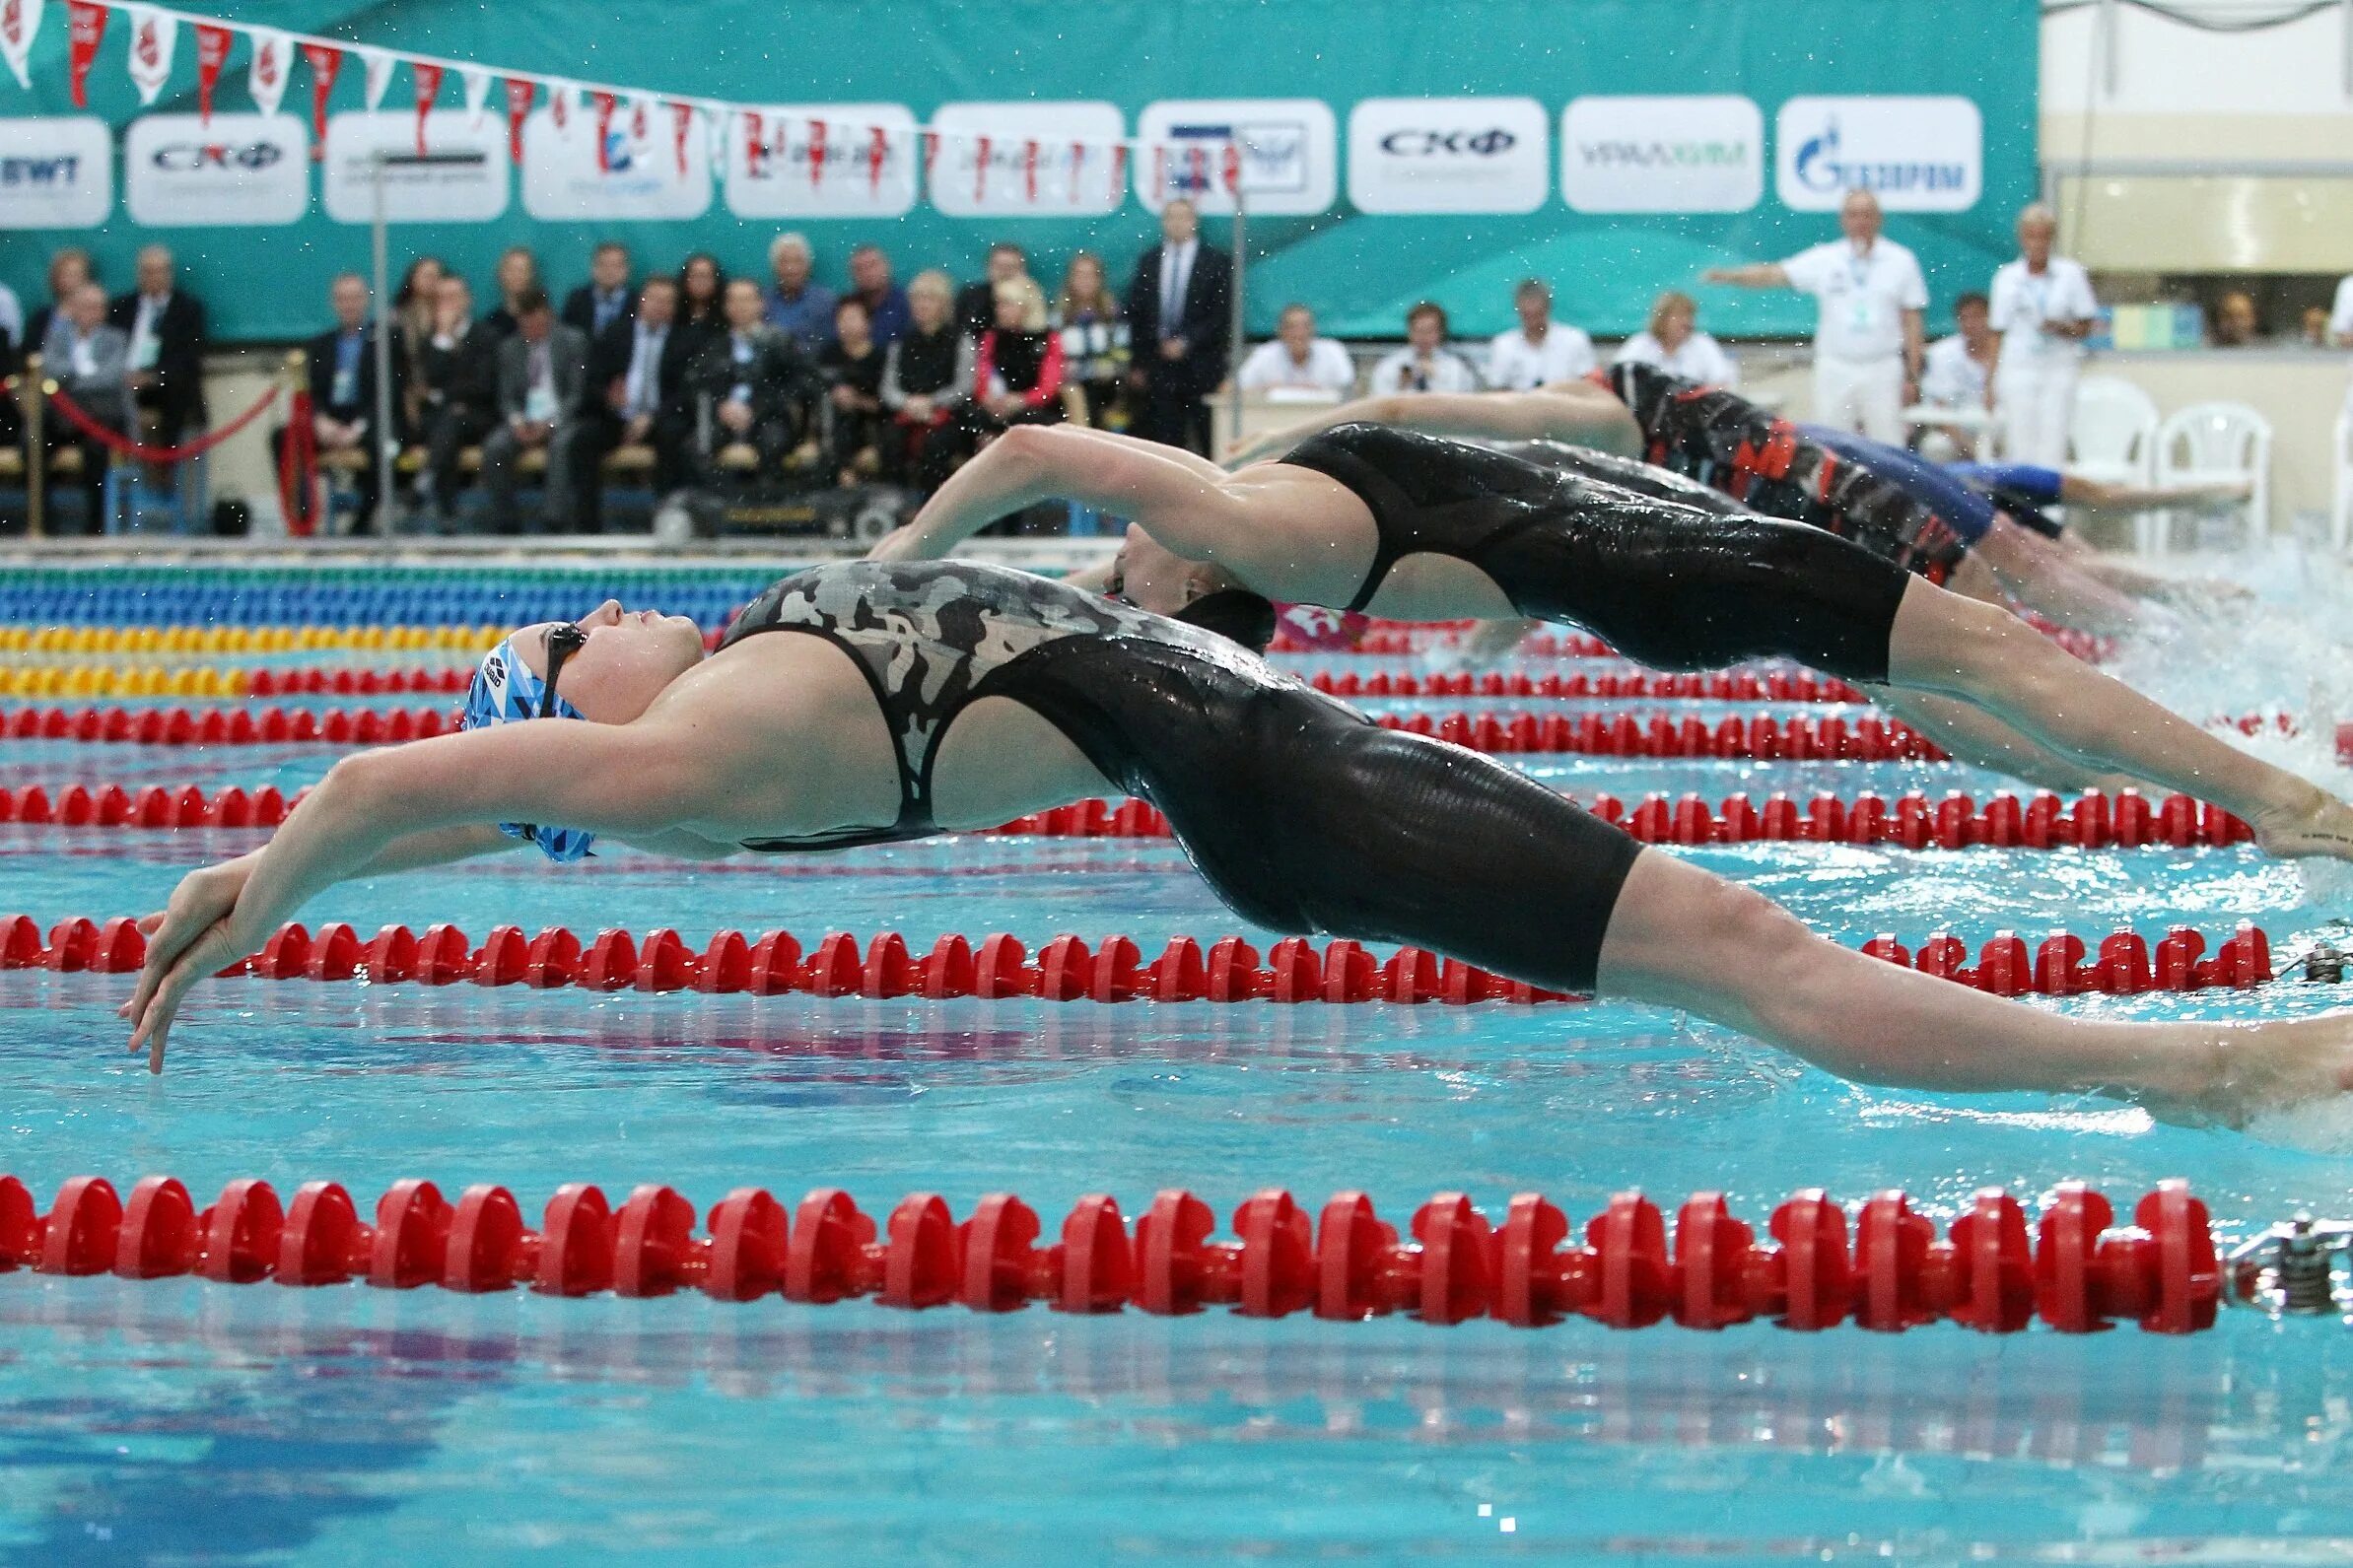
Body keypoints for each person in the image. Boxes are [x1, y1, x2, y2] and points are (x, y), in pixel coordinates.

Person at [121, 565, 2353, 1140]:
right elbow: (392, 790)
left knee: (1733, 937)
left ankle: (2204, 1067)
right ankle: (2212, 1073)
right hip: (1279, 789)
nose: (604, 613)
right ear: (567, 721)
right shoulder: (691, 754)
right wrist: (262, 879)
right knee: (1745, 949)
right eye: (560, 644)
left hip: (1265, 757)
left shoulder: (723, 688)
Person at [872, 414, 2353, 854]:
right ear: (1191, 584)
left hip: (1659, 573)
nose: (1122, 543)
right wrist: (891, 561)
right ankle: (2277, 798)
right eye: (1131, 567)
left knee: (1971, 675)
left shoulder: (1287, 499)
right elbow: (1023, 449)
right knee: (1993, 656)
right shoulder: (1250, 528)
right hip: (1671, 560)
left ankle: (2187, 793)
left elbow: (1531, 511)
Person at [1224, 365, 2167, 638]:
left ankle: (2164, 668)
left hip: (1845, 503)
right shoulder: (1633, 410)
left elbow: (1395, 408)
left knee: (1993, 637)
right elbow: (1525, 586)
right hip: (1841, 491)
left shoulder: (1602, 409)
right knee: (2007, 621)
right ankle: (2180, 645)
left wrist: (1268, 448)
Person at [1705, 188, 1926, 443]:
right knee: (1833, 443)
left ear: (1879, 219)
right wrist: (1729, 276)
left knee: (1889, 442)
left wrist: (1913, 374)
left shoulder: (1901, 260)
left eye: (1867, 214)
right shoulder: (1827, 258)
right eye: (1853, 215)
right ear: (1843, 220)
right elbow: (1776, 274)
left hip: (1882, 365)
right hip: (1836, 364)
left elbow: (1912, 318)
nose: (1860, 222)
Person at [564, 274, 691, 529]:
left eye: (667, 301)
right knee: (582, 440)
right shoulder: (615, 333)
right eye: (654, 299)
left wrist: (652, 417)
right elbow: (593, 381)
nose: (659, 306)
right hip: (616, 417)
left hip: (658, 420)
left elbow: (685, 392)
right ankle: (587, 528)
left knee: (673, 436)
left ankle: (665, 522)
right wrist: (609, 400)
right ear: (641, 301)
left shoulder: (684, 341)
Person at [278, 272, 391, 532]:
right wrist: (319, 421)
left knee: (382, 441)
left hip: (365, 420)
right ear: (334, 303)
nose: (349, 305)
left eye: (354, 298)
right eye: (342, 299)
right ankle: (301, 516)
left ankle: (364, 519)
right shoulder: (320, 345)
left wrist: (358, 428)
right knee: (284, 437)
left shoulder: (383, 341)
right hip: (329, 419)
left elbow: (386, 393)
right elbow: (311, 393)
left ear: (366, 300)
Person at [1987, 205, 2098, 468]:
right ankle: (2020, 504)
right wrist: (1989, 381)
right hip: (2019, 366)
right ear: (2022, 238)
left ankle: (2050, 505)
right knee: (2019, 441)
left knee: (2053, 439)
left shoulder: (2070, 274)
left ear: (2052, 238)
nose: (2038, 243)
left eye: (2044, 236)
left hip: (2057, 367)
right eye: (2031, 236)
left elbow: (2086, 325)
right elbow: (1996, 332)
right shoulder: (2007, 277)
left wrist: (2062, 328)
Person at [1123, 198, 1232, 455]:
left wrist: (1186, 342)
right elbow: (1138, 314)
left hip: (1202, 365)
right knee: (1166, 441)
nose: (1177, 223)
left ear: (1194, 222)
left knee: (1209, 439)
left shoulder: (1216, 262)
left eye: (1183, 217)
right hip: (1160, 367)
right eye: (1171, 217)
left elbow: (1221, 315)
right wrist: (1139, 362)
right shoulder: (1149, 261)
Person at [687, 277, 822, 485]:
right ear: (725, 307)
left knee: (774, 443)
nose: (740, 306)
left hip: (769, 416)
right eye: (733, 300)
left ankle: (766, 508)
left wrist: (757, 409)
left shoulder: (780, 342)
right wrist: (721, 406)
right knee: (695, 446)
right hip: (724, 418)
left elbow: (802, 382)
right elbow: (696, 383)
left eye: (746, 300)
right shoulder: (714, 346)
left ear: (761, 304)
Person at [480, 287, 589, 534]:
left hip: (560, 418)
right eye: (525, 325)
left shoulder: (573, 341)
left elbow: (575, 395)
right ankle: (506, 522)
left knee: (561, 446)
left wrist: (550, 423)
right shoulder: (509, 348)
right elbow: (506, 398)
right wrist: (517, 422)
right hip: (525, 419)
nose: (531, 330)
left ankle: (554, 519)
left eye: (536, 323)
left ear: (548, 316)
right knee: (495, 447)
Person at [412, 275, 500, 535]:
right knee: (447, 426)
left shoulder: (486, 336)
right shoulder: (431, 341)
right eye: (442, 299)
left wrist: (446, 395)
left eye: (454, 297)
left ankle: (432, 490)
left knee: (451, 422)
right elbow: (428, 382)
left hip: (478, 416)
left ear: (467, 300)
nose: (448, 304)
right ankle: (446, 514)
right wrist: (445, 339)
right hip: (443, 419)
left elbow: (482, 386)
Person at [37, 283, 129, 532]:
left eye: (97, 308)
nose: (91, 313)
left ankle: (94, 527)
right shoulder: (57, 337)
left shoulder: (115, 339)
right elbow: (50, 370)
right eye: (86, 307)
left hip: (99, 416)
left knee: (96, 452)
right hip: (63, 416)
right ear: (74, 310)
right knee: (35, 442)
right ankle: (43, 523)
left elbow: (110, 377)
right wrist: (84, 375)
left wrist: (73, 380)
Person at [106, 243, 207, 456]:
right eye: (148, 271)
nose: (154, 277)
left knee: (176, 389)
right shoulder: (121, 307)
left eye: (160, 271)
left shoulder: (187, 309)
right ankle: (112, 465)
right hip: (122, 380)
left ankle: (165, 466)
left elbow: (188, 357)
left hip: (161, 383)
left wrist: (151, 377)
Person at [881, 269, 977, 491]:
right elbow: (888, 388)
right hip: (907, 413)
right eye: (917, 298)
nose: (922, 305)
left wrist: (932, 402)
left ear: (944, 304)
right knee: (890, 441)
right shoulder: (901, 343)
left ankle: (932, 506)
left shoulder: (961, 340)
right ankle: (896, 501)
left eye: (929, 298)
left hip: (950, 415)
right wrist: (908, 403)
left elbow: (965, 386)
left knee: (936, 444)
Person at [817, 296, 888, 486]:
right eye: (842, 319)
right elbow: (816, 395)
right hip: (832, 431)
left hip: (871, 429)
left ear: (869, 322)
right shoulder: (827, 355)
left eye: (853, 318)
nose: (847, 325)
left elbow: (885, 405)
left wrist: (856, 400)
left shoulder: (881, 358)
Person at [1916, 292, 1997, 458]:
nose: (1970, 324)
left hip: (1998, 429)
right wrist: (1970, 447)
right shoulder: (1942, 354)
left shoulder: (2010, 353)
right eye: (1963, 318)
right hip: (1958, 432)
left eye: (1976, 317)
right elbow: (1940, 408)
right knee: (1936, 447)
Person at [1053, 251, 1128, 429]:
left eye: (1091, 275)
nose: (1085, 280)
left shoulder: (1113, 314)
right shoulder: (1058, 317)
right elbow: (1052, 357)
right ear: (1070, 279)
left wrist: (1109, 367)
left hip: (1108, 384)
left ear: (1099, 279)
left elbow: (1122, 353)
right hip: (1070, 387)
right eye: (1079, 275)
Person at [1612, 291, 1738, 388]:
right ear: (1662, 319)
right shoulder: (1640, 344)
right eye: (1679, 316)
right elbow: (1618, 379)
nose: (1686, 322)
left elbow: (1722, 383)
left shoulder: (1703, 344)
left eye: (1689, 316)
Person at [1487, 279, 1594, 391]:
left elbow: (1588, 384)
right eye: (1526, 312)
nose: (1530, 311)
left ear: (1547, 307)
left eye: (1536, 310)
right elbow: (1496, 387)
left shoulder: (1575, 339)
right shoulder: (1503, 344)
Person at [1235, 305, 1356, 396]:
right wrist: (1266, 390)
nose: (1299, 333)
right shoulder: (1264, 353)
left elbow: (1354, 390)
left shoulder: (1333, 350)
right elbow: (1229, 390)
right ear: (1280, 331)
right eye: (1292, 327)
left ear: (1313, 329)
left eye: (1305, 327)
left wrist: (1320, 391)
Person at [1366, 303, 1481, 396]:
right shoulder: (1391, 365)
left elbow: (1462, 403)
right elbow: (1378, 399)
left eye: (1430, 331)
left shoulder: (1456, 367)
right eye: (1419, 331)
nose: (1424, 337)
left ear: (1441, 332)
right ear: (1409, 331)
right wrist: (1401, 386)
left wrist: (1437, 378)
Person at [390, 256, 447, 439]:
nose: (431, 281)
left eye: (436, 276)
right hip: (408, 392)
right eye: (426, 275)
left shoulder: (449, 316)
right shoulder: (398, 318)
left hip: (441, 392)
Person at [763, 233, 836, 353]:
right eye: (785, 262)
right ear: (774, 266)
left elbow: (829, 344)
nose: (791, 269)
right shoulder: (763, 300)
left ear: (808, 265)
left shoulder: (825, 301)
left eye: (797, 261)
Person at [24, 247, 94, 364]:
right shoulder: (41, 317)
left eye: (74, 274)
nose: (69, 280)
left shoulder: (97, 314)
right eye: (64, 274)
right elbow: (29, 352)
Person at [955, 241, 1031, 339]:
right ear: (988, 267)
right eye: (999, 266)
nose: (1004, 272)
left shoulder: (1032, 298)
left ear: (1022, 269)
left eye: (1010, 267)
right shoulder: (971, 296)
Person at [561, 241, 635, 340]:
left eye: (616, 265)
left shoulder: (637, 302)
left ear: (627, 269)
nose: (610, 271)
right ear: (593, 268)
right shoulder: (577, 299)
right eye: (603, 265)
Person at [844, 243, 911, 345]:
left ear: (887, 266)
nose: (867, 273)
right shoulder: (846, 308)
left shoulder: (907, 303)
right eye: (860, 268)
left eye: (873, 265)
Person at [482, 246, 544, 341]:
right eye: (511, 270)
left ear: (532, 275)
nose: (517, 276)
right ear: (501, 275)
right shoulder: (491, 324)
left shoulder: (544, 320)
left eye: (522, 270)